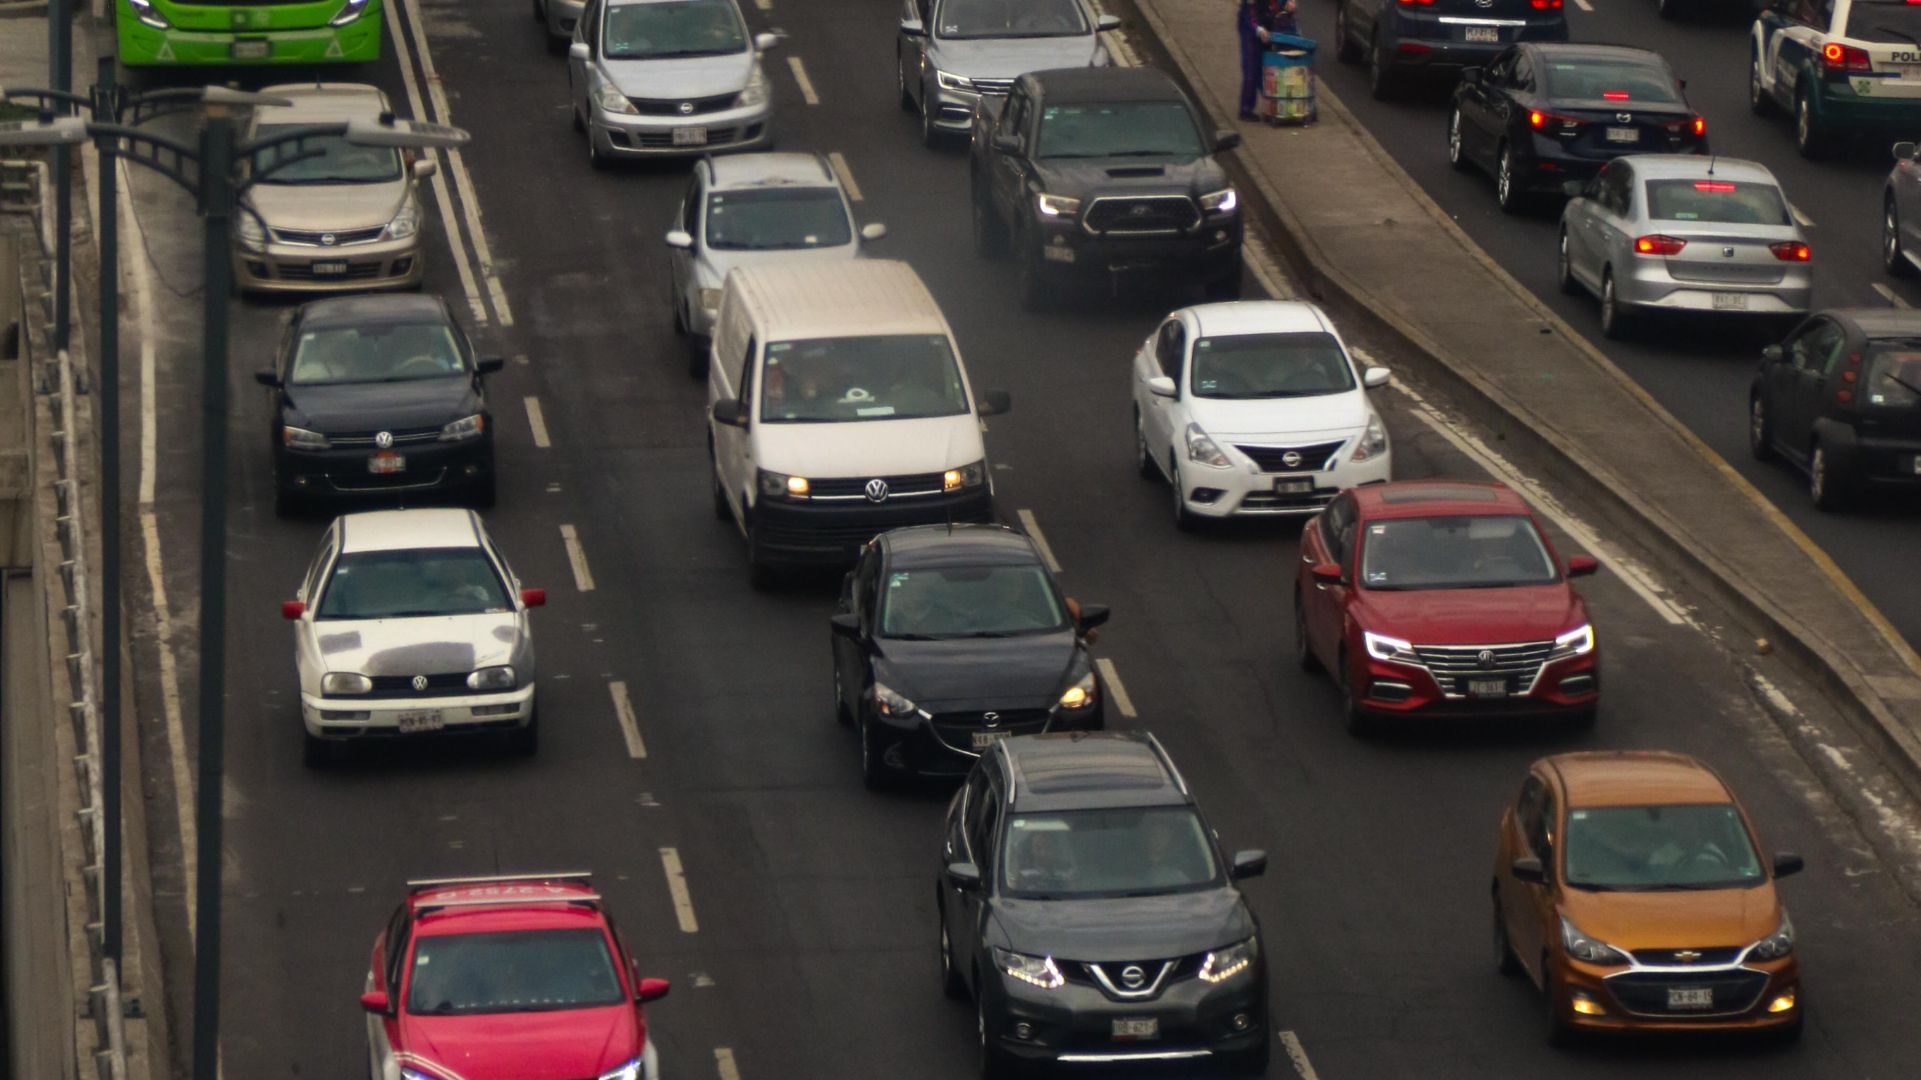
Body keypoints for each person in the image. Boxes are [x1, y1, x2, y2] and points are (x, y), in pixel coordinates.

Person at [1237, 0, 1300, 121]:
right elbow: (1249, 15)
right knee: (1251, 69)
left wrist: (1287, 4)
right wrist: (1258, 29)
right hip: (1251, 28)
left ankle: (1273, 104)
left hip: (1266, 19)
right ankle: (1246, 109)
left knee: (1266, 68)